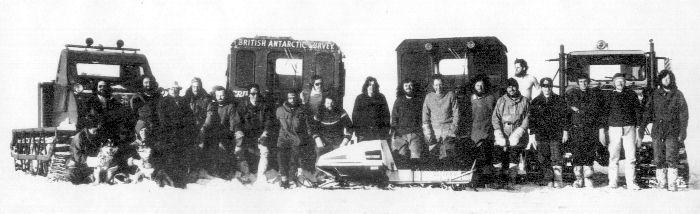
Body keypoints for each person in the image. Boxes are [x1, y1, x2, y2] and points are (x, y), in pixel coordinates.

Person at [640, 70, 688, 191]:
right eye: (665, 78)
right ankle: (662, 182)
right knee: (658, 158)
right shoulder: (655, 94)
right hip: (657, 131)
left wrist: (683, 131)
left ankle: (672, 183)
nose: (667, 80)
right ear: (660, 80)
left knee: (671, 157)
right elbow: (647, 112)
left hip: (672, 130)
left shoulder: (678, 95)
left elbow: (684, 114)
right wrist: (641, 128)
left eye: (669, 78)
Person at [603, 73, 643, 190]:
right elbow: (605, 112)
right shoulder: (609, 95)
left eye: (622, 81)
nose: (620, 83)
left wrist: (638, 127)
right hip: (614, 128)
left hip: (629, 128)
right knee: (613, 156)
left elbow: (637, 111)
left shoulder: (631, 94)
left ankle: (631, 182)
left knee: (631, 156)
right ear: (613, 83)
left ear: (625, 82)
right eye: (617, 81)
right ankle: (613, 182)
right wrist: (603, 129)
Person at [491, 78, 530, 189]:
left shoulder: (524, 101)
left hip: (518, 133)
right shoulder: (501, 101)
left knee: (514, 153)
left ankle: (511, 180)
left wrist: (519, 131)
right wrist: (498, 132)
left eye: (513, 86)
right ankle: (498, 180)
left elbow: (527, 118)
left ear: (517, 87)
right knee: (498, 152)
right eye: (509, 87)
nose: (511, 89)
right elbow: (495, 117)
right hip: (504, 132)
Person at [232, 83, 275, 183]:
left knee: (265, 150)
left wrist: (265, 132)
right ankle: (245, 173)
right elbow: (237, 122)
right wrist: (238, 132)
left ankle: (261, 175)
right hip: (246, 135)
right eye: (252, 93)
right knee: (238, 149)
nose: (255, 96)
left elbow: (269, 121)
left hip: (260, 135)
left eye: (257, 93)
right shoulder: (242, 106)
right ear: (248, 94)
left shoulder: (264, 106)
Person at [529, 77, 567, 188]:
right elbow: (532, 120)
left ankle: (558, 180)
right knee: (543, 157)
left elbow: (564, 117)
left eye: (549, 86)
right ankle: (548, 179)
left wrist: (565, 131)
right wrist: (532, 135)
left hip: (555, 134)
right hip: (541, 135)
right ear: (541, 87)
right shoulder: (536, 101)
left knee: (556, 156)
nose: (547, 89)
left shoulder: (559, 100)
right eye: (544, 86)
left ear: (551, 87)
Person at [464, 74, 497, 187]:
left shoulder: (491, 98)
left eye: (482, 85)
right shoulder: (470, 99)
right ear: (474, 86)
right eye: (477, 85)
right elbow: (467, 117)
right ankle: (473, 180)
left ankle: (487, 181)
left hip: (487, 131)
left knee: (486, 156)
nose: (479, 87)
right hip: (473, 132)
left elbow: (494, 115)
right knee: (473, 157)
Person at [276, 89, 313, 188]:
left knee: (294, 159)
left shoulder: (301, 110)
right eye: (289, 98)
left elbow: (307, 124)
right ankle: (284, 178)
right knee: (281, 158)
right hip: (283, 138)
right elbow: (281, 126)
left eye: (293, 97)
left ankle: (292, 178)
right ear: (286, 98)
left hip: (296, 138)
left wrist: (310, 135)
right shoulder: (280, 110)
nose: (292, 100)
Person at [422, 74, 460, 169]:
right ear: (432, 86)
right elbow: (425, 117)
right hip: (434, 131)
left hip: (448, 130)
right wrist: (428, 134)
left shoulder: (450, 95)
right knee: (434, 157)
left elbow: (456, 114)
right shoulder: (428, 97)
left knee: (448, 156)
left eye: (440, 84)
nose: (438, 87)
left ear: (443, 84)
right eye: (436, 85)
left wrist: (452, 132)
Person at [201, 86, 238, 179]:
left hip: (225, 134)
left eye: (222, 95)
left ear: (225, 95)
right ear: (215, 96)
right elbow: (207, 121)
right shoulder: (212, 105)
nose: (220, 97)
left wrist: (227, 133)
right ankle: (210, 169)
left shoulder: (230, 107)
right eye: (218, 95)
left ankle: (224, 172)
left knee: (222, 147)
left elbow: (232, 124)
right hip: (212, 134)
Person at [391, 79, 424, 168]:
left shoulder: (419, 101)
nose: (408, 88)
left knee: (416, 159)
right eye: (406, 86)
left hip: (415, 135)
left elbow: (423, 118)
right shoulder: (398, 101)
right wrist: (395, 134)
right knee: (402, 159)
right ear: (402, 88)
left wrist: (420, 133)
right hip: (401, 136)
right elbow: (394, 118)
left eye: (410, 85)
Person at [310, 93, 353, 160]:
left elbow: (350, 128)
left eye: (332, 103)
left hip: (338, 142)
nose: (330, 105)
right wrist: (318, 140)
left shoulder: (341, 112)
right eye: (327, 103)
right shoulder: (319, 113)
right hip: (323, 143)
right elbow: (313, 128)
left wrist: (344, 142)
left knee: (338, 164)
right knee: (321, 164)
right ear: (324, 103)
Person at [352, 77, 390, 142]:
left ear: (376, 87)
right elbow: (355, 117)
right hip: (363, 134)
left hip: (379, 133)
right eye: (369, 85)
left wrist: (385, 132)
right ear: (366, 86)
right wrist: (358, 132)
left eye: (373, 85)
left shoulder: (381, 97)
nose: (371, 87)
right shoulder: (359, 98)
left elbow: (386, 116)